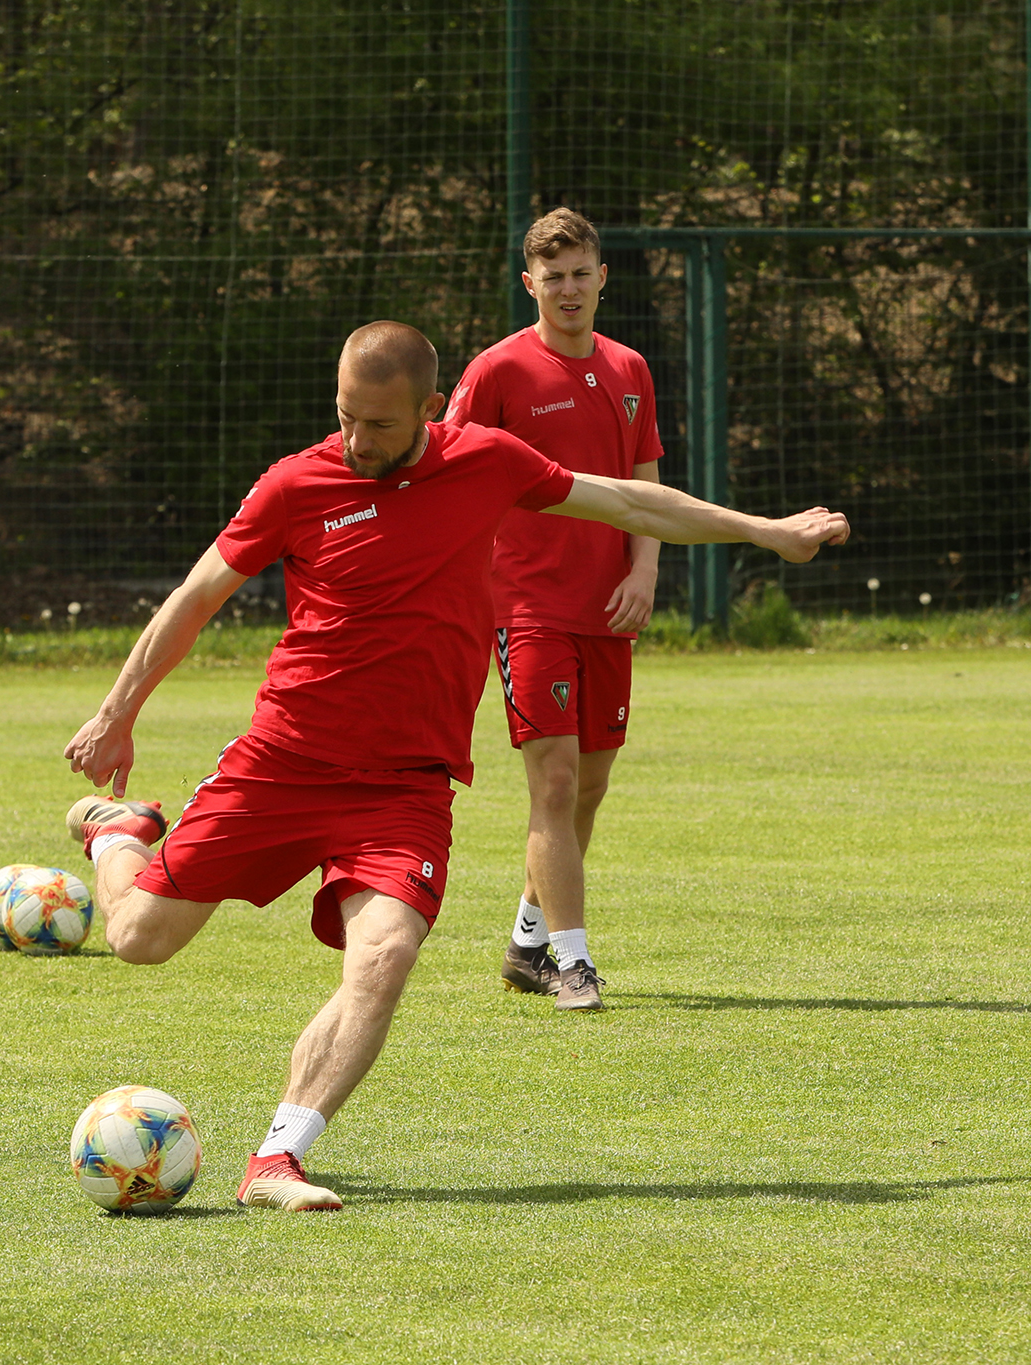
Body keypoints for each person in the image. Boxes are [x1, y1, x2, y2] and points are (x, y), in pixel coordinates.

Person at [61, 321, 849, 1212]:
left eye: (380, 425)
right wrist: (116, 713)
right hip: (285, 761)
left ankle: (277, 1158)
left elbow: (631, 502)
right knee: (138, 938)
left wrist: (767, 531)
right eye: (345, 416)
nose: (357, 440)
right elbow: (195, 596)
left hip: (406, 785)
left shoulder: (488, 462)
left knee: (386, 952)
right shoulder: (296, 483)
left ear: (432, 409)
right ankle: (120, 835)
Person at [445, 207, 659, 1012]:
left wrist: (645, 570)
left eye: (579, 274)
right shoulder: (496, 371)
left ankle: (527, 943)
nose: (568, 290)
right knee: (557, 782)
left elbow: (644, 486)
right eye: (552, 277)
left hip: (608, 607)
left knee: (589, 786)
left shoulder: (630, 368)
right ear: (528, 284)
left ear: (603, 278)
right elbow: (445, 473)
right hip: (525, 606)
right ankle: (573, 963)